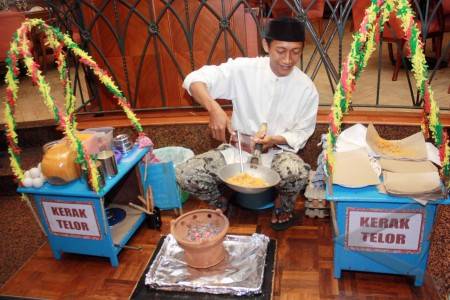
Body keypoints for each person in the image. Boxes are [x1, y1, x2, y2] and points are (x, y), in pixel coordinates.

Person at [176, 16, 319, 231]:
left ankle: (283, 205)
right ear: (266, 45)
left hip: (277, 153)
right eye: (281, 51)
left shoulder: (306, 88)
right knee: (186, 174)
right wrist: (213, 107)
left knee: (297, 172)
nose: (288, 59)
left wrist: (275, 139)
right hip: (238, 151)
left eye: (295, 51)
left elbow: (303, 131)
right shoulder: (243, 69)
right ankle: (220, 204)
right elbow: (194, 80)